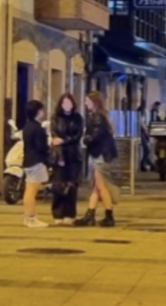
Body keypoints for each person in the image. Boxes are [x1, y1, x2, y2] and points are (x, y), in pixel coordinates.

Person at [76, 91, 119, 227]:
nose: (85, 103)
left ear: (94, 102)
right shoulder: (99, 116)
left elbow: (93, 137)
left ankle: (109, 215)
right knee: (96, 187)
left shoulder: (97, 118)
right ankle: (90, 214)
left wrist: (84, 138)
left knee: (101, 186)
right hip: (100, 155)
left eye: (87, 101)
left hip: (100, 155)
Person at [50, 93, 84, 225]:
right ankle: (57, 213)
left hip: (74, 155)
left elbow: (78, 135)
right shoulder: (55, 118)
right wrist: (58, 141)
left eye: (69, 102)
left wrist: (64, 141)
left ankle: (70, 214)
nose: (67, 105)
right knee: (58, 185)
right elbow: (54, 134)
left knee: (72, 185)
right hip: (59, 155)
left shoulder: (77, 118)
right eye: (64, 102)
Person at [21, 100, 51, 228]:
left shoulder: (27, 127)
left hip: (28, 161)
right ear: (37, 112)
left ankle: (28, 217)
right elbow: (41, 147)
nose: (43, 112)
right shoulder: (38, 129)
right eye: (42, 110)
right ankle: (32, 218)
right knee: (32, 192)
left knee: (28, 191)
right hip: (36, 162)